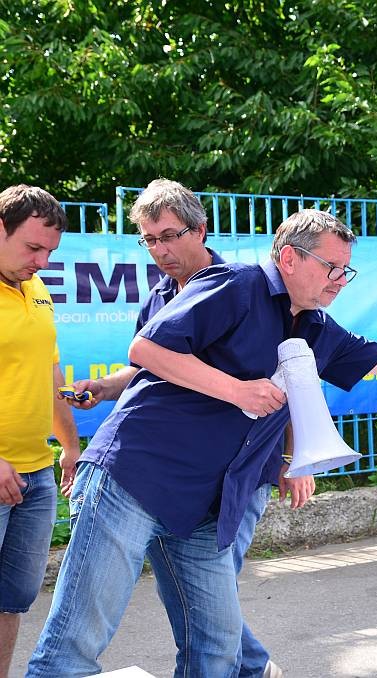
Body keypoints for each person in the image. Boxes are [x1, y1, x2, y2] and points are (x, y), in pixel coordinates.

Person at [28, 209, 377, 677]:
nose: (340, 280)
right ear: (289, 258)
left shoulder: (317, 326)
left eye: (345, 270)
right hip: (134, 478)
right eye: (331, 267)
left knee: (217, 648)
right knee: (75, 644)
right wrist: (237, 390)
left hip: (207, 504)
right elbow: (147, 349)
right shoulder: (237, 283)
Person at [64, 179, 309, 677]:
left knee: (211, 590)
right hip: (174, 475)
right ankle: (253, 667)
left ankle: (251, 667)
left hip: (238, 473)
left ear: (200, 230)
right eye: (149, 240)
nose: (160, 250)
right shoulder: (159, 295)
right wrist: (105, 387)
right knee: (199, 595)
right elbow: (150, 365)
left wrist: (292, 457)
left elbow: (292, 381)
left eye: (169, 236)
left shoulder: (242, 288)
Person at [0, 185, 79, 677]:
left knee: (11, 601)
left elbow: (49, 377)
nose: (42, 262)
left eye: (50, 251)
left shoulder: (36, 288)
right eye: (33, 247)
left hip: (34, 476)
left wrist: (70, 446)